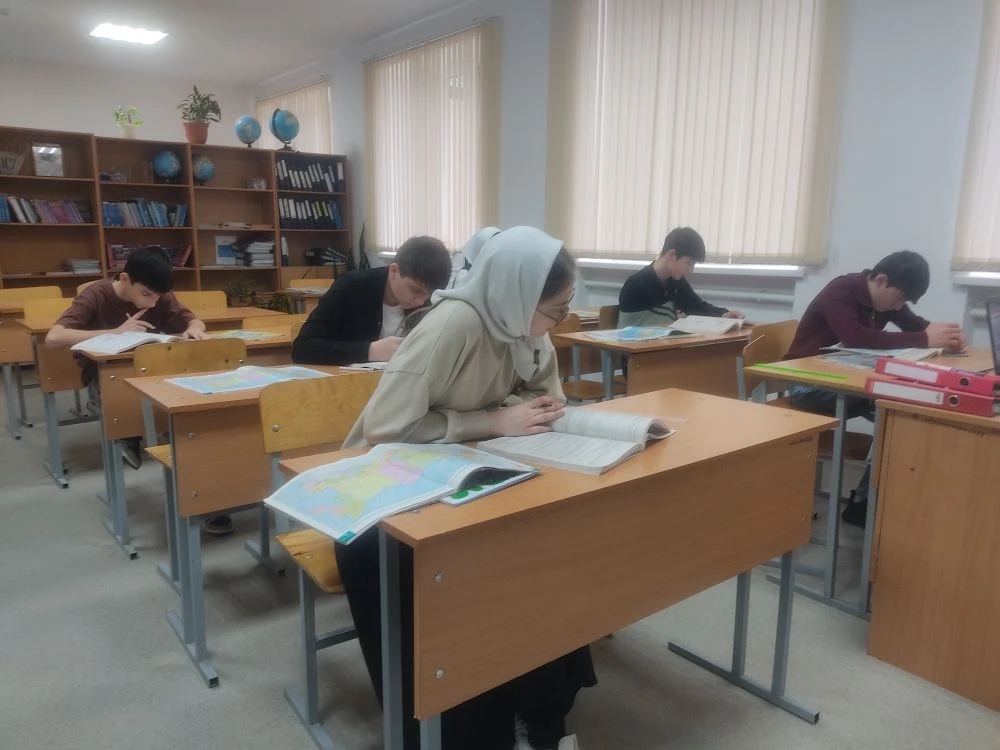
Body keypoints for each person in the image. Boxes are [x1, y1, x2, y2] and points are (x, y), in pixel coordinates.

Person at [340, 227, 594, 750]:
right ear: (519, 294)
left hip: (466, 471)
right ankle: (461, 725)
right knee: (468, 576)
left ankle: (539, 709)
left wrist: (534, 409)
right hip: (384, 493)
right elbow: (386, 429)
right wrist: (492, 421)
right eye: (555, 311)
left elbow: (544, 392)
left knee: (547, 551)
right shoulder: (453, 325)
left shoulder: (527, 327)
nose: (558, 322)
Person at [785, 250, 966, 526]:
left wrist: (946, 337)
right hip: (806, 386)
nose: (899, 306)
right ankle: (865, 504)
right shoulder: (840, 291)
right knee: (896, 404)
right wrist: (925, 338)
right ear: (881, 281)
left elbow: (917, 326)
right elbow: (856, 338)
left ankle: (866, 502)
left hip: (843, 381)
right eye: (899, 298)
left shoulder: (885, 299)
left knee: (902, 411)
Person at [292, 235, 452, 365]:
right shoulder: (351, 286)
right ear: (394, 271)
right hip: (348, 386)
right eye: (415, 290)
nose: (421, 302)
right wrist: (370, 350)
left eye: (428, 295)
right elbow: (303, 349)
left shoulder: (430, 302)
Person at [618, 226, 744, 326]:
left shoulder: (675, 281)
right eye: (688, 263)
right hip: (639, 349)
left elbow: (696, 306)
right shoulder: (637, 284)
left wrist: (723, 314)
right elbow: (638, 332)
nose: (691, 271)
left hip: (664, 347)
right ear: (671, 256)